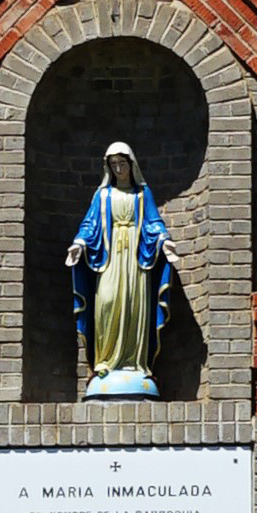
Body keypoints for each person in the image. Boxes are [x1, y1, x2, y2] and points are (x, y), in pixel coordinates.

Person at [65, 140, 173, 394]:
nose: (118, 169)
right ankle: (105, 360)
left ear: (131, 164)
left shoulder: (141, 193)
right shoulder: (102, 195)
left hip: (136, 260)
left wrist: (165, 242)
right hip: (110, 259)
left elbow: (153, 222)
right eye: (113, 165)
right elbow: (90, 225)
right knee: (108, 302)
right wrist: (79, 244)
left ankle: (135, 362)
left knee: (134, 306)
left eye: (122, 164)